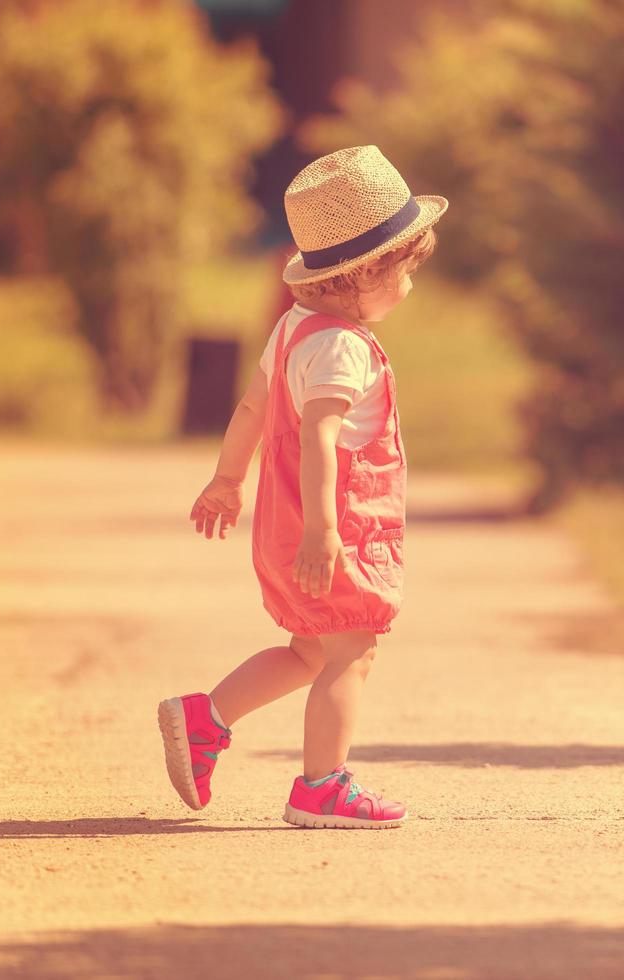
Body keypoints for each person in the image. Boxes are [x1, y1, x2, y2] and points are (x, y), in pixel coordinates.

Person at [157, 146, 448, 829]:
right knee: (354, 649)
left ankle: (206, 718)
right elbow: (320, 438)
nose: (408, 288)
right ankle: (322, 786)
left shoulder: (291, 331)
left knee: (308, 649)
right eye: (404, 274)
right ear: (365, 273)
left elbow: (253, 409)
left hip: (280, 524)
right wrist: (325, 532)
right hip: (330, 524)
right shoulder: (343, 346)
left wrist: (228, 480)